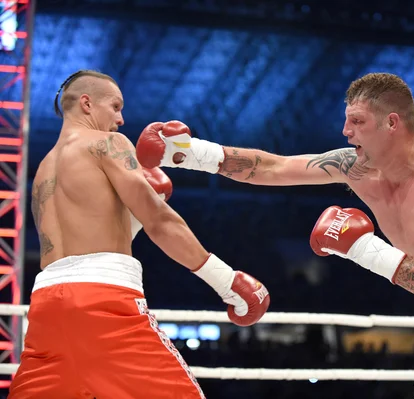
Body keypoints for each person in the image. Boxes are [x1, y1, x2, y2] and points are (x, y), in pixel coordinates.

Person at [136, 72, 414, 398]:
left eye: (357, 122)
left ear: (391, 123)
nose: (346, 132)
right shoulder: (355, 165)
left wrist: (362, 248)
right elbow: (273, 166)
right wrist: (192, 154)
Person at [9, 70, 270, 399]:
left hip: (46, 310)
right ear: (87, 104)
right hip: (105, 304)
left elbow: (86, 247)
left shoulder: (43, 171)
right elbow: (160, 222)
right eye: (115, 106)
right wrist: (225, 281)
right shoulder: (108, 144)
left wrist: (130, 220)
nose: (121, 119)